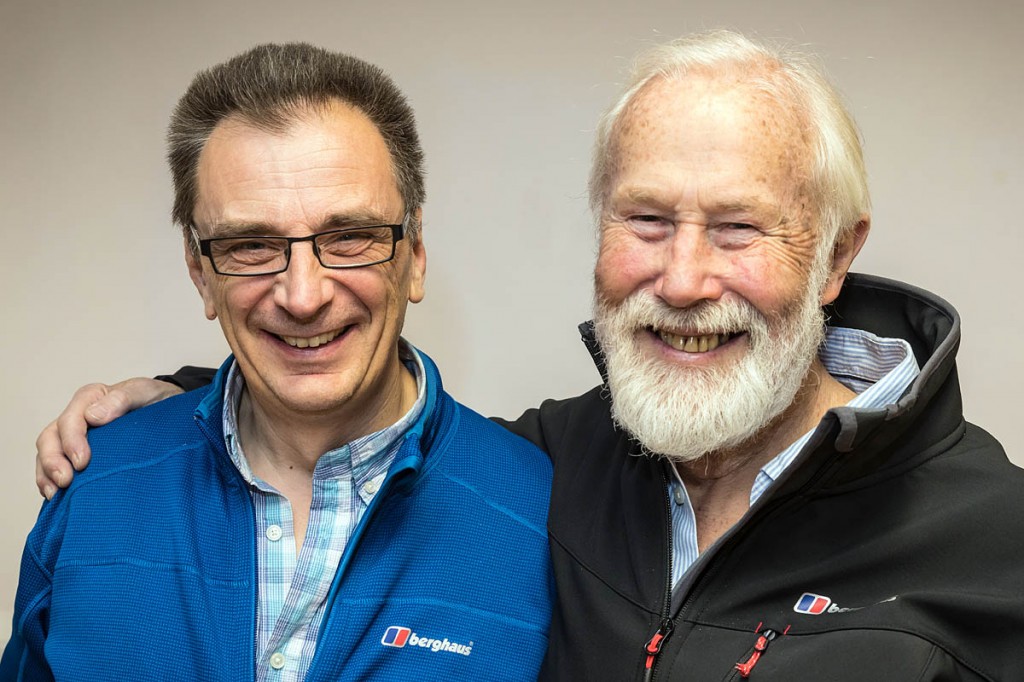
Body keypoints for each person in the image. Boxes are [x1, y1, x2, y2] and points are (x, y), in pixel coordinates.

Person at [31, 31, 1024, 681]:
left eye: (735, 228)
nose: (680, 279)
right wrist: (171, 407)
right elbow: (347, 407)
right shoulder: (562, 464)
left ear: (836, 254)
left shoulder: (996, 543)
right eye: (644, 219)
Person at [3, 43, 553, 681]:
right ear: (201, 273)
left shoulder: (540, 518)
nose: (303, 295)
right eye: (251, 245)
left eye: (349, 237)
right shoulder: (95, 486)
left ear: (416, 254)